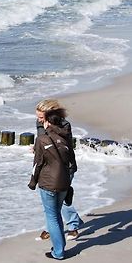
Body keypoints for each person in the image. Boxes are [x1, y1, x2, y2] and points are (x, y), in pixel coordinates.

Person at [28, 109, 77, 260]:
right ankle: (61, 244)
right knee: (56, 213)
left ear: (48, 121)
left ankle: (59, 251)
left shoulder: (42, 139)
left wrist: (32, 182)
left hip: (49, 182)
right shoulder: (65, 136)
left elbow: (37, 164)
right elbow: (72, 160)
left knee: (52, 216)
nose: (41, 122)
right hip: (64, 180)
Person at [35, 99, 84, 240]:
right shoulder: (39, 123)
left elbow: (63, 145)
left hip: (65, 166)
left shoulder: (64, 125)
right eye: (37, 117)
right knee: (50, 200)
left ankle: (73, 225)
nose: (38, 120)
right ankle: (54, 227)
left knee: (58, 199)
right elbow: (42, 140)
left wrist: (50, 128)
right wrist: (36, 147)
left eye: (41, 117)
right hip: (48, 165)